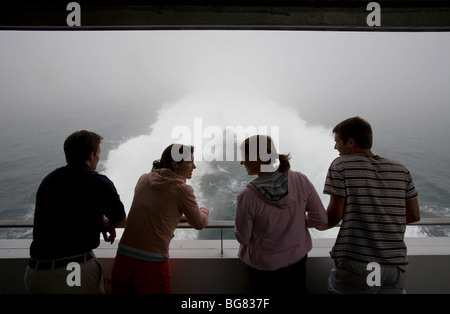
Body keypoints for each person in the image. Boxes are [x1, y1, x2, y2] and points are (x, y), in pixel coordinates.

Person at [317, 116, 421, 294]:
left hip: (358, 266)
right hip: (395, 267)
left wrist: (312, 224)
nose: (335, 147)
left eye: (337, 142)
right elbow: (414, 215)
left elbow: (335, 215)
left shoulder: (341, 165)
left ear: (350, 142)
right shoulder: (401, 169)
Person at [24, 130, 127, 294]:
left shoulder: (49, 180)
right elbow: (121, 221)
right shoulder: (98, 182)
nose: (99, 158)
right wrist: (106, 222)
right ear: (91, 155)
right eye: (98, 153)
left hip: (36, 274)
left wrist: (99, 221)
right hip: (72, 272)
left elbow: (66, 211)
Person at [234, 135, 328, 294]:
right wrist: (298, 221)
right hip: (297, 261)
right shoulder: (300, 179)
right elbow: (321, 218)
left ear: (258, 159)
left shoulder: (247, 196)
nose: (242, 162)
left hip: (264, 270)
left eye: (244, 157)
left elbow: (243, 238)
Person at [111, 143, 209, 294]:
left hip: (123, 258)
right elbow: (198, 223)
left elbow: (155, 209)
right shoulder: (182, 190)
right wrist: (204, 211)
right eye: (190, 162)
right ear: (175, 164)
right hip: (151, 263)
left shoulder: (144, 178)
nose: (194, 167)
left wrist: (177, 216)